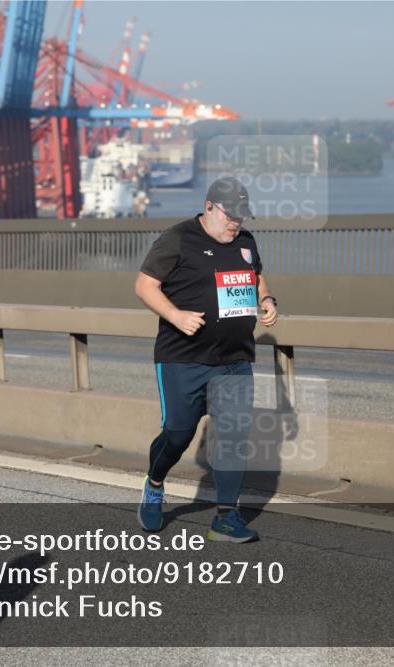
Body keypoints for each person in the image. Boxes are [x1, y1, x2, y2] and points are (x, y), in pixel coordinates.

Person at [134, 177, 278, 542]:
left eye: (242, 218)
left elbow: (256, 277)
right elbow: (145, 285)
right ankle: (154, 483)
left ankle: (226, 517)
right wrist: (176, 316)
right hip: (183, 359)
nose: (236, 224)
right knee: (178, 434)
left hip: (234, 360)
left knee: (232, 436)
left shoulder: (245, 242)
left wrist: (267, 300)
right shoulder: (177, 238)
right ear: (210, 206)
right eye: (231, 216)